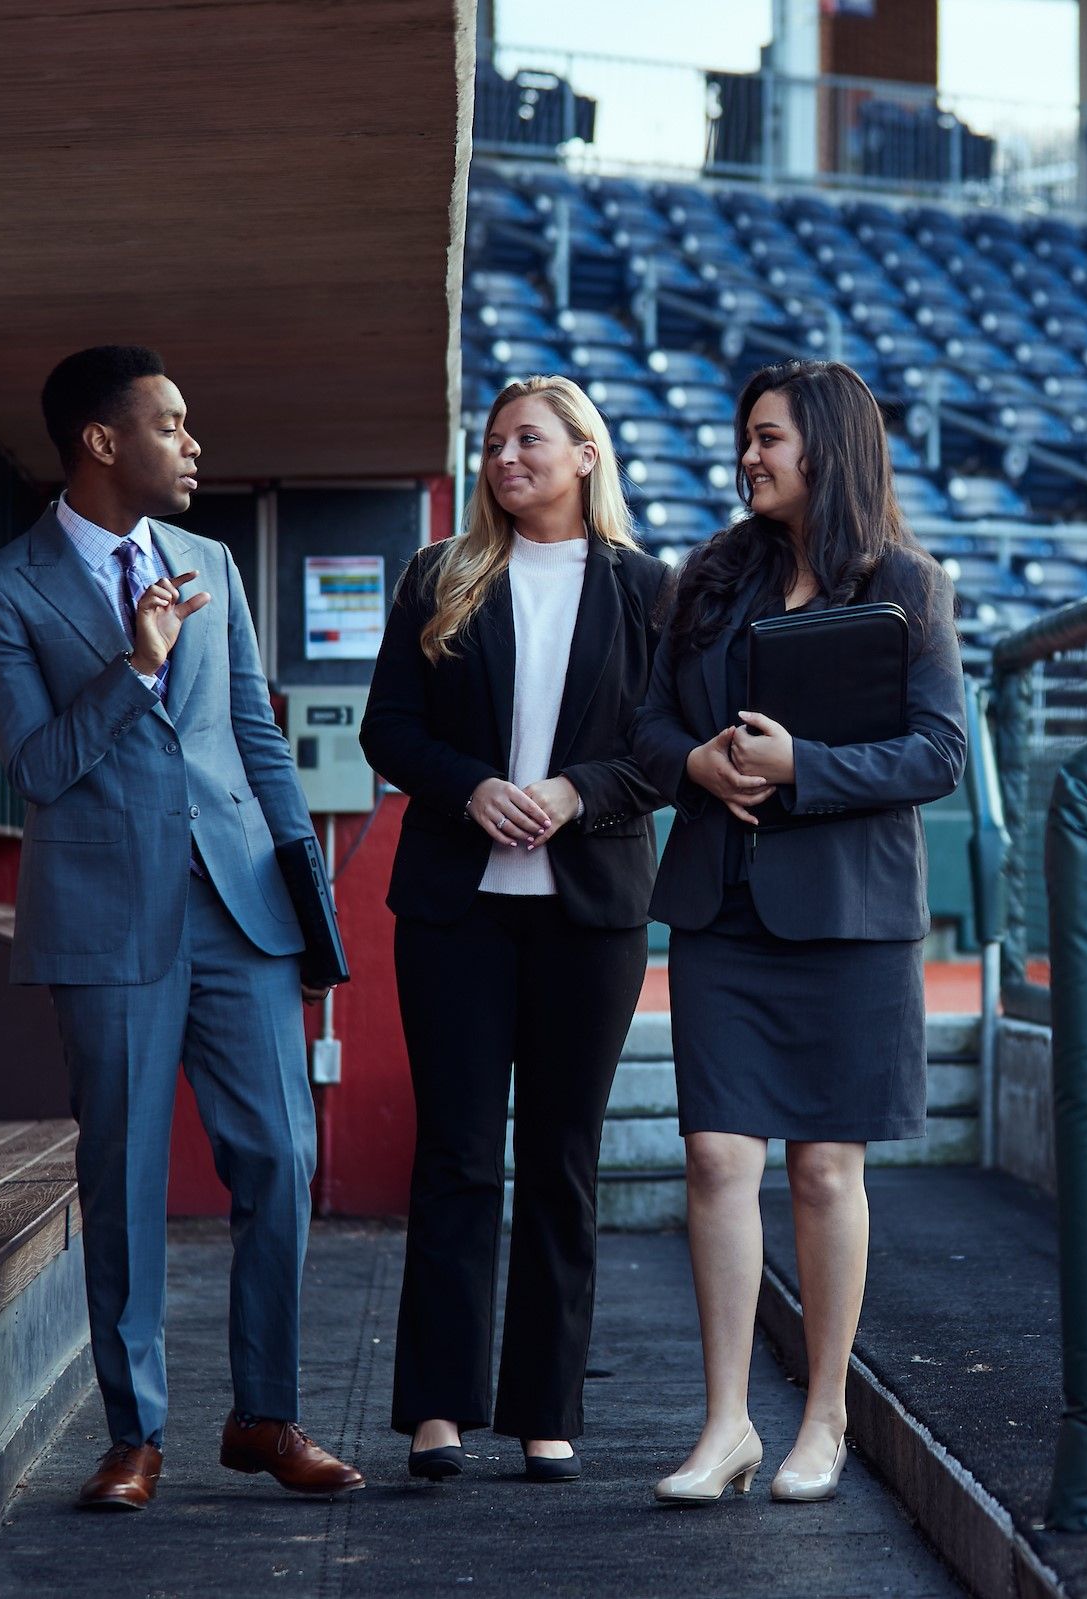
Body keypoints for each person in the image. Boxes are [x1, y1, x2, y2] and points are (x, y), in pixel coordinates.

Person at [0, 345, 363, 1512]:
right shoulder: (2, 591)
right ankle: (134, 1435)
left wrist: (308, 905)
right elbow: (40, 766)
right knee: (125, 1175)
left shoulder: (212, 562)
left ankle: (265, 1417)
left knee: (281, 1158)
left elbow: (254, 738)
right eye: (171, 425)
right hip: (106, 923)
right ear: (101, 441)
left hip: (241, 912)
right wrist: (136, 664)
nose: (193, 445)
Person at [630, 359, 965, 1505]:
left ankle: (825, 1418)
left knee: (825, 1172)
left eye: (768, 436)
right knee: (718, 1157)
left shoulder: (909, 583)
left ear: (827, 446)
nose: (749, 456)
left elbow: (938, 752)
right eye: (747, 437)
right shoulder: (709, 576)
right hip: (723, 904)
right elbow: (648, 723)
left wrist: (800, 768)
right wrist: (695, 764)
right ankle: (726, 1425)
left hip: (851, 917)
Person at [360, 376, 673, 1483]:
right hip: (456, 909)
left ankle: (546, 1411)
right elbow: (388, 728)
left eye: (528, 440)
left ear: (586, 454)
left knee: (561, 1160)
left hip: (591, 914)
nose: (504, 459)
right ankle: (438, 1408)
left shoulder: (649, 590)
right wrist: (473, 788)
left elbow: (666, 748)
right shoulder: (438, 575)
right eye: (493, 443)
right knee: (454, 1154)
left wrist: (579, 791)